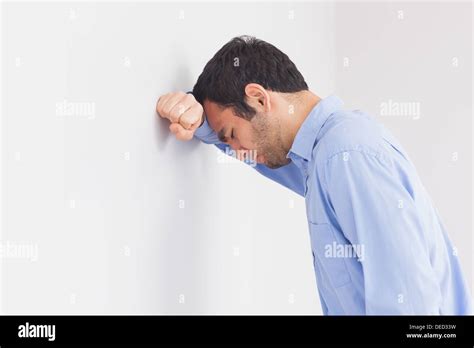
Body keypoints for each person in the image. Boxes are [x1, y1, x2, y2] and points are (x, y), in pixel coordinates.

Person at [156, 35, 473, 315]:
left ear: (259, 98)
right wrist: (196, 116)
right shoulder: (320, 157)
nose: (240, 152)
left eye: (232, 134)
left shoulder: (345, 155)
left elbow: (410, 301)